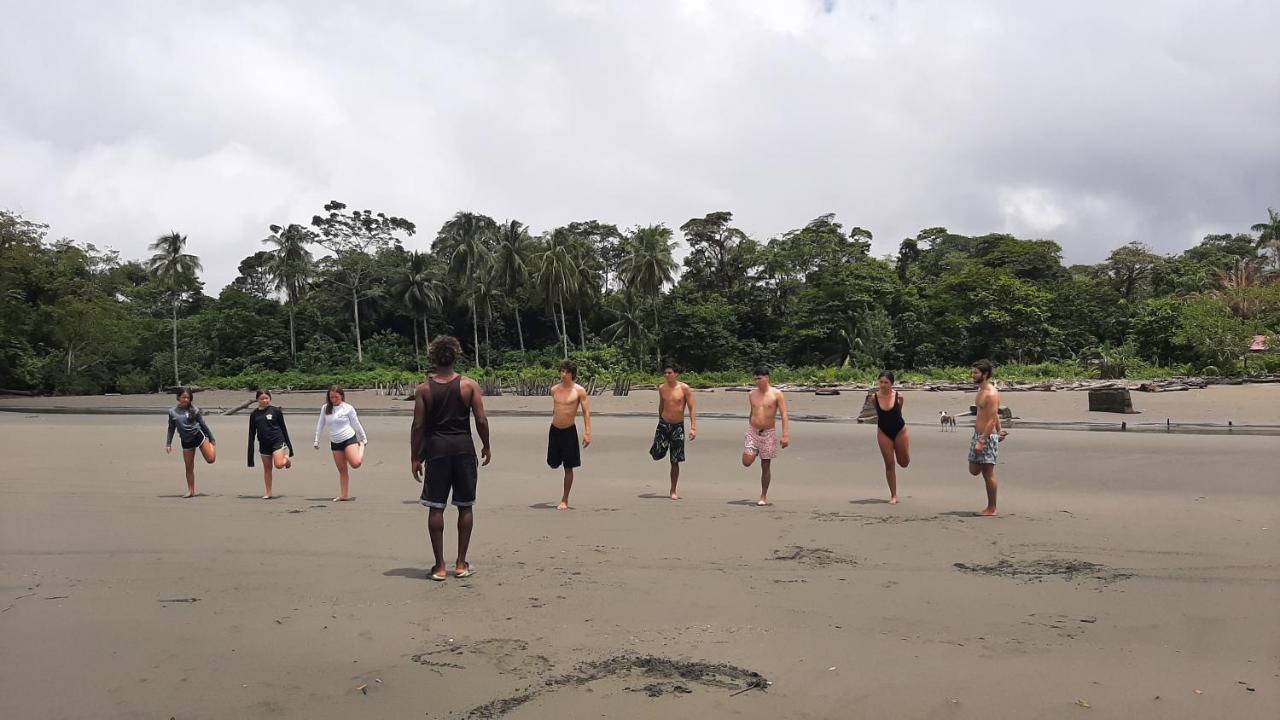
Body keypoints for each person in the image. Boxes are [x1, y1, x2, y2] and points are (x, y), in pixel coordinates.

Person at [411, 336, 491, 581]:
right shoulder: (468, 386)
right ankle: (461, 563)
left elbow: (418, 426)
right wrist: (487, 445)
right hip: (464, 449)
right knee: (465, 505)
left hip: (436, 451)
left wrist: (415, 457)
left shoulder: (424, 389)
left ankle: (439, 567)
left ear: (433, 359)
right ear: (456, 357)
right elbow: (480, 419)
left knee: (436, 507)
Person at [742, 366, 789, 505]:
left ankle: (763, 496)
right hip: (753, 431)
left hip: (768, 433)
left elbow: (784, 414)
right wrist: (750, 426)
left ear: (767, 378)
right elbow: (752, 412)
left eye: (759, 378)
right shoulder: (752, 394)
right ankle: (754, 450)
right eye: (755, 378)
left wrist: (785, 435)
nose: (757, 381)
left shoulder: (777, 394)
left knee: (765, 465)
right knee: (746, 462)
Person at [650, 360, 697, 499]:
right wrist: (659, 420)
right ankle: (661, 449)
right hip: (663, 425)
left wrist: (693, 427)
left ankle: (673, 490)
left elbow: (692, 408)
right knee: (656, 454)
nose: (666, 375)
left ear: (676, 374)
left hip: (677, 427)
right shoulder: (662, 388)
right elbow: (661, 405)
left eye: (669, 373)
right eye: (665, 372)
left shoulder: (684, 389)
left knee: (674, 460)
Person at [548, 360, 591, 510]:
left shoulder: (579, 391)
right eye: (562, 371)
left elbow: (586, 412)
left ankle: (565, 499)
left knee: (568, 467)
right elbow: (555, 409)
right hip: (554, 430)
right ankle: (555, 461)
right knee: (553, 464)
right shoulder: (554, 390)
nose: (563, 374)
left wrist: (587, 432)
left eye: (566, 372)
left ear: (572, 374)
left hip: (569, 432)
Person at [967, 359, 1008, 516]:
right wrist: (1000, 430)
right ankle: (991, 507)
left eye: (976, 373)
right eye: (973, 372)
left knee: (987, 472)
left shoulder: (991, 393)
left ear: (984, 374)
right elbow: (993, 416)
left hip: (986, 437)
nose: (973, 375)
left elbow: (991, 418)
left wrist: (984, 440)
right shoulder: (980, 390)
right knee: (973, 470)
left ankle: (992, 508)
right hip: (978, 435)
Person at [314, 386, 367, 502]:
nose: (333, 399)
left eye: (336, 397)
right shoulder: (325, 408)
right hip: (335, 442)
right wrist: (316, 440)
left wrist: (363, 438)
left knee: (356, 463)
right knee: (342, 470)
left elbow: (356, 423)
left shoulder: (348, 408)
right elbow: (320, 424)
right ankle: (344, 494)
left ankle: (361, 447)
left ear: (341, 396)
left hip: (348, 438)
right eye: (331, 397)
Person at [164, 387, 217, 498]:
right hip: (186, 441)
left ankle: (210, 445)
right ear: (178, 398)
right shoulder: (172, 412)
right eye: (183, 397)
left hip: (198, 436)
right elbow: (171, 428)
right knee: (189, 467)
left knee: (211, 460)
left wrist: (212, 438)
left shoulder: (194, 410)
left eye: (188, 398)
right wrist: (168, 443)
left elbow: (203, 424)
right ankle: (191, 490)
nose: (186, 399)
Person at [246, 389, 294, 499]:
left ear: (270, 399)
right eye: (262, 398)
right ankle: (268, 492)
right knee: (267, 469)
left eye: (266, 398)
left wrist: (289, 446)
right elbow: (252, 433)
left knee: (278, 465)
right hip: (264, 444)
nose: (264, 400)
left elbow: (283, 428)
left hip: (277, 440)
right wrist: (250, 454)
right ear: (257, 399)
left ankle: (286, 459)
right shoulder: (254, 414)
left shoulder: (275, 411)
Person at [873, 371, 910, 504]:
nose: (882, 385)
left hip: (899, 430)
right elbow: (879, 414)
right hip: (883, 431)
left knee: (904, 463)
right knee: (889, 463)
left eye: (886, 382)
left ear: (892, 383)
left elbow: (898, 413)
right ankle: (893, 495)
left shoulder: (899, 397)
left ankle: (904, 453)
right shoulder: (874, 397)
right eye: (881, 382)